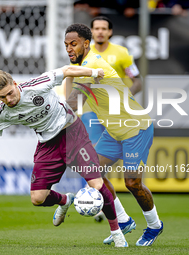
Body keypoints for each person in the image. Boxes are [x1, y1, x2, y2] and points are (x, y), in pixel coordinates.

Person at [0, 65, 129, 247]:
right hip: (48, 145)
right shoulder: (3, 113)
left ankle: (116, 232)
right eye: (2, 97)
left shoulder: (38, 85)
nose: (9, 100)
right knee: (37, 198)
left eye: (10, 93)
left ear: (16, 85)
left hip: (72, 134)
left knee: (96, 183)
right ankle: (65, 201)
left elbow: (67, 70)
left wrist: (94, 72)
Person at [64, 23, 163, 247]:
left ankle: (155, 225)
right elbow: (74, 103)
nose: (69, 49)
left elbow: (73, 103)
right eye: (66, 45)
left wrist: (46, 113)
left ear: (86, 44)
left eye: (74, 44)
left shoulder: (92, 64)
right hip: (114, 131)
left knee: (132, 183)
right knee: (93, 172)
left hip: (135, 128)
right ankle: (124, 220)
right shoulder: (84, 67)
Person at [89, 16, 142, 222]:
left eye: (104, 28)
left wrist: (124, 97)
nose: (100, 32)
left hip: (116, 114)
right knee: (95, 161)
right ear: (91, 32)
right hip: (91, 112)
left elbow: (137, 81)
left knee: (105, 161)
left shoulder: (122, 53)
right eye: (97, 28)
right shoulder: (84, 54)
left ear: (110, 32)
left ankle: (109, 206)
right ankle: (107, 205)